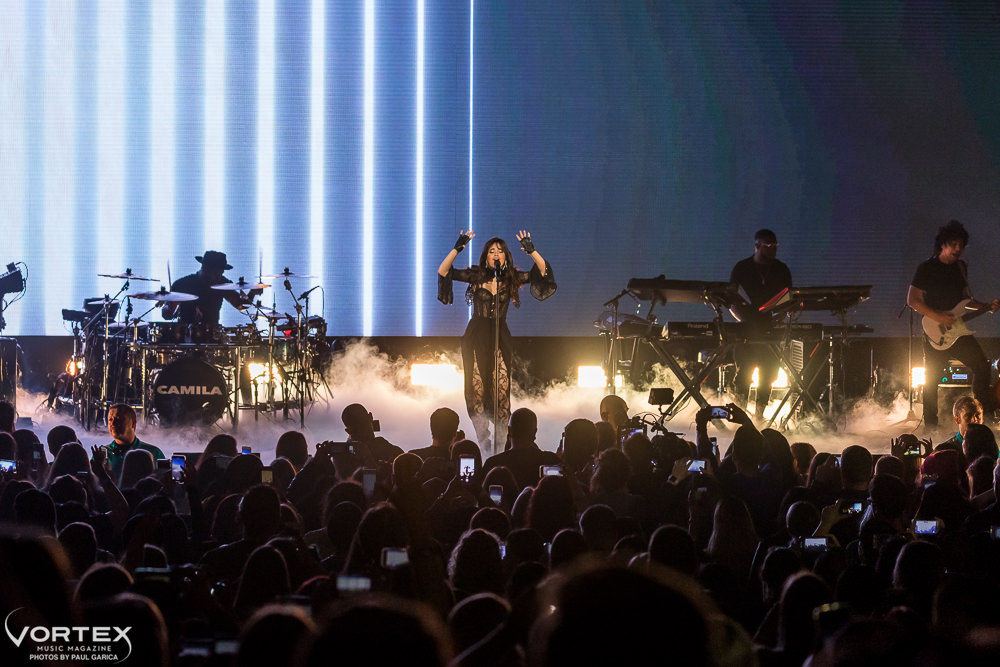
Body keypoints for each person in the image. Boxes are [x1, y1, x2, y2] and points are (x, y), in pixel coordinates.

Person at [437, 230, 556, 450]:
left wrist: (531, 250)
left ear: (506, 257)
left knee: (502, 395)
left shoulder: (511, 278)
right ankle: (484, 441)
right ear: (485, 256)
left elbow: (543, 271)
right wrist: (458, 248)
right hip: (475, 336)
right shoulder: (475, 276)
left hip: (500, 336)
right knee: (476, 395)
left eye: (500, 251)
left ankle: (502, 446)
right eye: (491, 251)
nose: (496, 254)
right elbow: (444, 271)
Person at [907, 221, 998, 427]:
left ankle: (986, 418)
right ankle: (931, 424)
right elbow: (912, 300)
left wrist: (986, 306)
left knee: (982, 368)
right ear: (943, 244)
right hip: (935, 332)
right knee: (932, 379)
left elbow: (966, 300)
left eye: (962, 245)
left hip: (958, 331)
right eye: (954, 244)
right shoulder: (926, 268)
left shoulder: (961, 267)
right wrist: (938, 317)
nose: (958, 249)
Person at [729, 229, 793, 421]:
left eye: (775, 246)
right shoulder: (742, 268)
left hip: (771, 328)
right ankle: (738, 416)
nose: (773, 249)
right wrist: (745, 323)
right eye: (768, 245)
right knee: (744, 373)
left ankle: (759, 417)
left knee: (769, 373)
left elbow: (787, 300)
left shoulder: (781, 269)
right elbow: (732, 300)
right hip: (747, 329)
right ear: (757, 246)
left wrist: (777, 320)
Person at [161, 250, 262, 326]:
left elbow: (240, 306)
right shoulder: (183, 284)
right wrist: (167, 307)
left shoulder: (222, 283)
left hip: (212, 336)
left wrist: (252, 293)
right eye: (216, 273)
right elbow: (167, 314)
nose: (219, 277)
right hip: (185, 337)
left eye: (221, 273)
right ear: (205, 269)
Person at [104, 403, 164, 479]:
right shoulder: (104, 454)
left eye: (118, 419)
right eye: (110, 419)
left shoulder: (153, 453)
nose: (113, 423)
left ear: (133, 423)